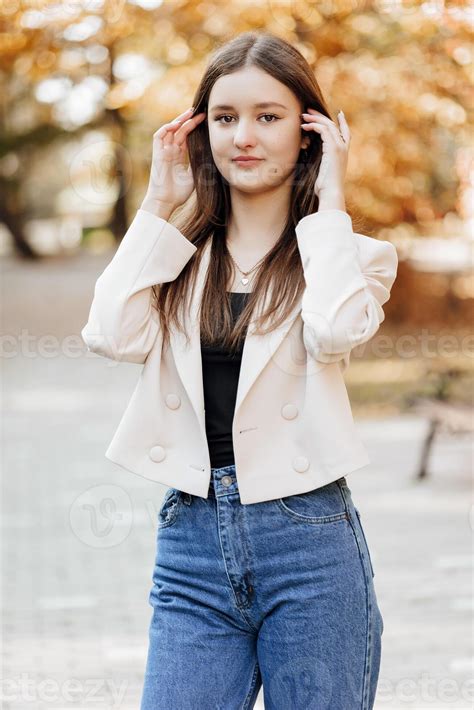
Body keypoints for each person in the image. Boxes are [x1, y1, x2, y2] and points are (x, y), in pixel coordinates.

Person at [82, 31, 398, 710]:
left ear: (309, 133)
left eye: (269, 116)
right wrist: (157, 205)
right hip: (191, 543)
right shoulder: (177, 255)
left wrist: (331, 205)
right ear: (201, 134)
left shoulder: (351, 255)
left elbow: (338, 329)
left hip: (309, 544)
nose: (243, 137)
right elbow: (109, 334)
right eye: (224, 118)